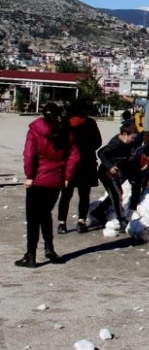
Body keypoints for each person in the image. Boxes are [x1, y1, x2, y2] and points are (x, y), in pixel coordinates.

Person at [16, 103, 79, 268]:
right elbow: (75, 156)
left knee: (33, 219)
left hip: (38, 180)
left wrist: (29, 176)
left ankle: (31, 255)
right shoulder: (66, 132)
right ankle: (49, 249)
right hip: (55, 181)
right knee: (45, 214)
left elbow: (29, 155)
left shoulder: (35, 130)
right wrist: (67, 176)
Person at [57, 99, 102, 234]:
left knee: (65, 194)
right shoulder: (90, 123)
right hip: (86, 163)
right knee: (84, 194)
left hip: (68, 163)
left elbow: (58, 142)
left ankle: (62, 223)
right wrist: (87, 149)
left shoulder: (65, 123)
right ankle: (81, 221)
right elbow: (98, 142)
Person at [90, 123, 138, 227]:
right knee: (117, 194)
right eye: (132, 137)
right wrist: (109, 166)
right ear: (125, 134)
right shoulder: (115, 143)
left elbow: (128, 155)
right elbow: (101, 152)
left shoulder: (127, 143)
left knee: (115, 193)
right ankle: (121, 219)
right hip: (106, 172)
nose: (133, 140)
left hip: (116, 172)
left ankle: (98, 212)